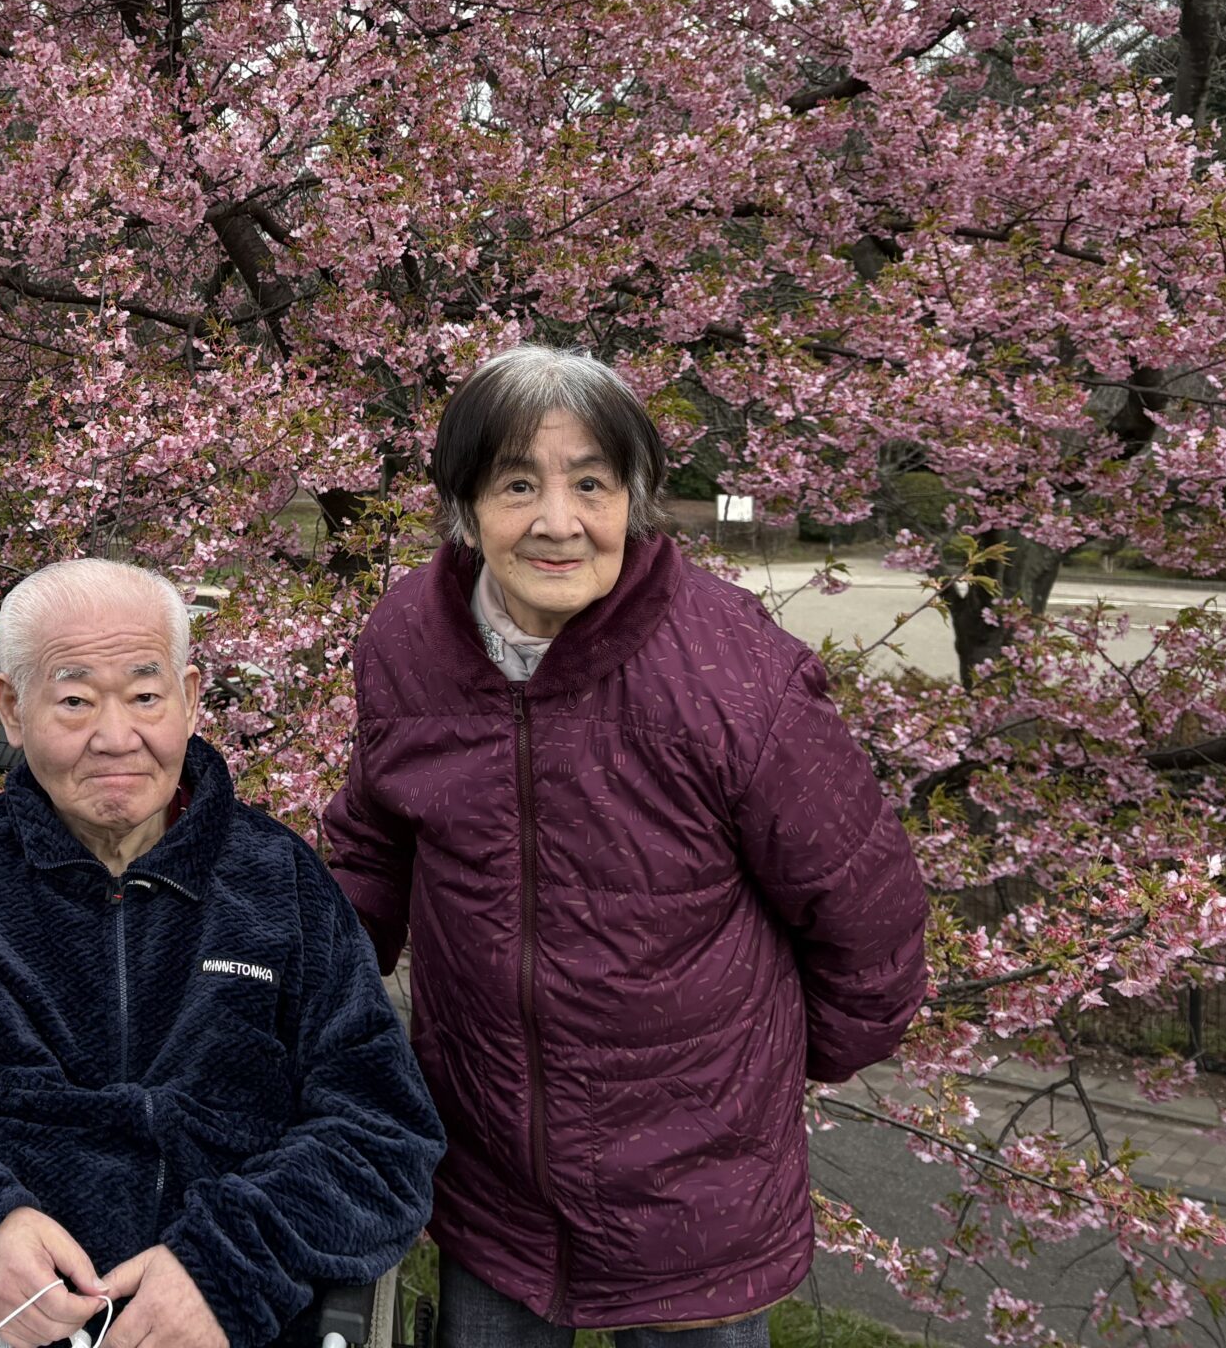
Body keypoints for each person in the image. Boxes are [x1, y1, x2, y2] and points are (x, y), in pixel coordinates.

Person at [323, 345, 931, 1348]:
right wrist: (317, 1008)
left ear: (635, 500)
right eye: (518, 484)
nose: (557, 521)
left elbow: (867, 915)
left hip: (698, 1193)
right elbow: (372, 850)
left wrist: (771, 1073)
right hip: (492, 1176)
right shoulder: (406, 643)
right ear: (465, 505)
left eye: (591, 484)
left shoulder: (736, 672)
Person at [0, 559, 444, 1348]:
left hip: (234, 1319)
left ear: (191, 699)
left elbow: (380, 1132)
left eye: (144, 696)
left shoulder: (281, 885)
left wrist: (226, 1269)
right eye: (74, 700)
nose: (115, 738)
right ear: (12, 708)